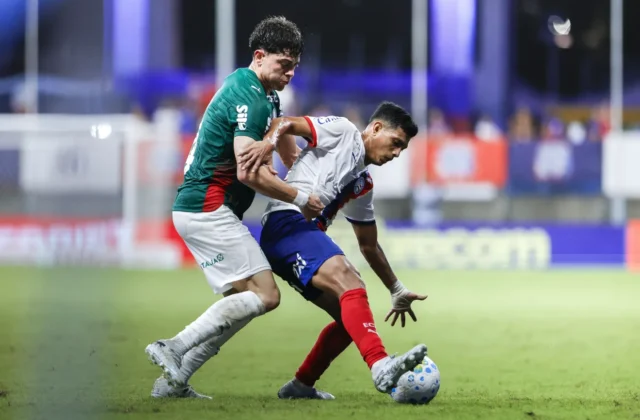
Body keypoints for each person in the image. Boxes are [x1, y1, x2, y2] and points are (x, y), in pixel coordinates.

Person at [144, 16, 323, 399]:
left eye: (294, 66)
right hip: (207, 207)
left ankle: (174, 382)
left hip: (202, 208)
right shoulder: (250, 97)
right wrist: (300, 198)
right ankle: (172, 347)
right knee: (267, 295)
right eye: (283, 64)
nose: (290, 73)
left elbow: (282, 150)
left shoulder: (264, 95)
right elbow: (247, 171)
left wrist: (306, 168)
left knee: (242, 304)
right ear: (259, 56)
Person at [238, 102, 429, 399]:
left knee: (351, 319)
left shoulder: (362, 184)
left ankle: (301, 385)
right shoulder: (343, 131)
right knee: (349, 281)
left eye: (402, 149)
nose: (396, 154)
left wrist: (396, 288)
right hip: (285, 223)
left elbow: (368, 245)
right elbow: (284, 123)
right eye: (395, 143)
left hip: (299, 238)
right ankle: (380, 365)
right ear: (376, 128)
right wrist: (268, 145)